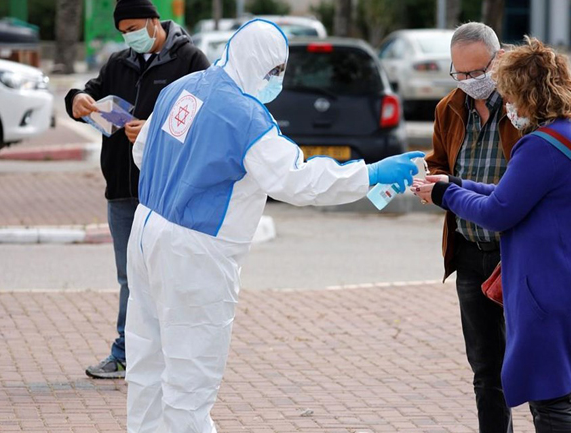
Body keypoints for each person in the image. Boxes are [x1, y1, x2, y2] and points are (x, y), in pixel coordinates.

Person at [124, 19, 424, 433]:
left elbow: (143, 151)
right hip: (196, 251)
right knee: (190, 379)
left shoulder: (182, 87)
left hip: (146, 229)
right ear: (257, 63)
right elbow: (297, 181)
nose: (275, 82)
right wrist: (369, 175)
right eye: (274, 72)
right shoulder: (247, 118)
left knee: (147, 362)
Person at [414, 37, 571, 433]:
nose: (508, 105)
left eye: (510, 96)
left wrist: (444, 193)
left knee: (553, 402)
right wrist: (458, 182)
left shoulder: (540, 146)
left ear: (528, 94)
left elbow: (499, 212)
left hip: (555, 292)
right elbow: (514, 196)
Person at [64, 0, 210, 379]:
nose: (131, 36)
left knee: (169, 275)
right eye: (124, 30)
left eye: (134, 27)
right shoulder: (119, 63)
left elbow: (207, 119)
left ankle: (175, 354)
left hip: (165, 192)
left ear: (153, 20)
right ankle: (126, 353)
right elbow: (90, 93)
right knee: (130, 276)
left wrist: (153, 129)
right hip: (122, 190)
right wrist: (78, 99)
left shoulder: (190, 60)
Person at [424, 22, 521, 433]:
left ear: (497, 62)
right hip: (468, 251)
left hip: (516, 253)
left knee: (532, 365)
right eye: (458, 74)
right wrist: (426, 177)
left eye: (475, 73)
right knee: (485, 369)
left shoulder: (521, 108)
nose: (467, 83)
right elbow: (441, 164)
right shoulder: (449, 108)